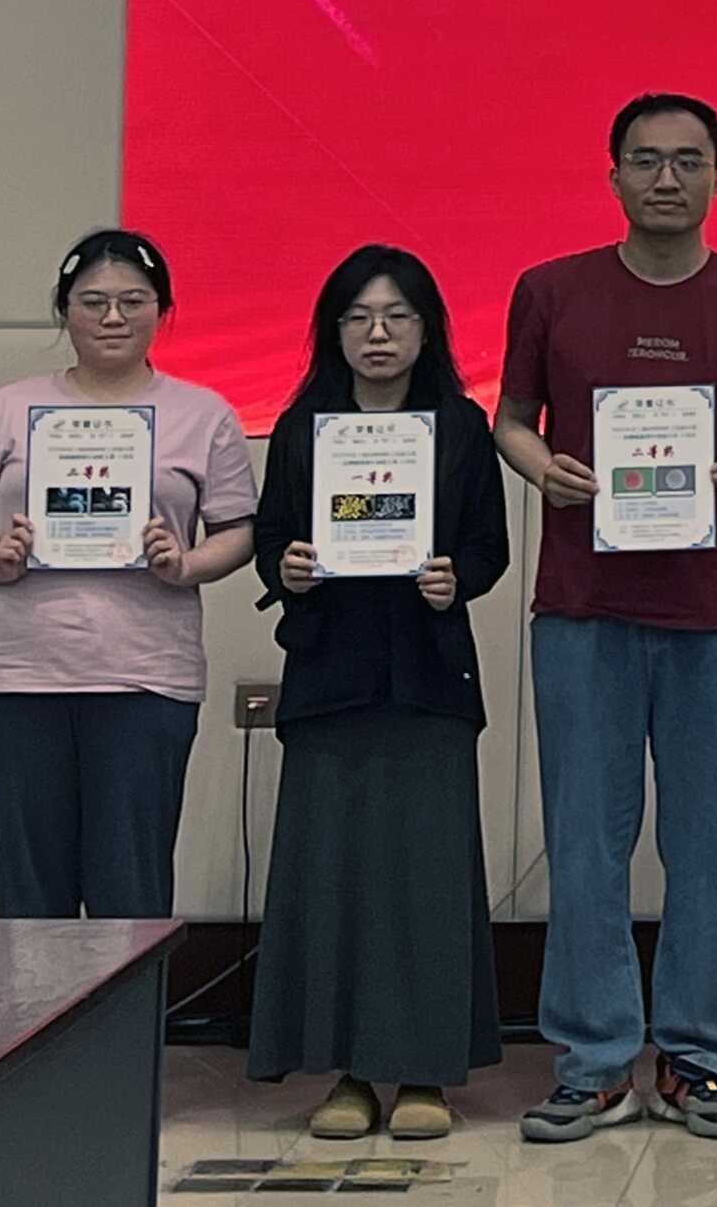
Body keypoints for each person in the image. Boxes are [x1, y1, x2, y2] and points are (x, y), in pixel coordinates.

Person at [501, 93, 717, 1145]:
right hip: (583, 608)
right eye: (645, 159)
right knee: (585, 845)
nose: (666, 178)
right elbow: (511, 418)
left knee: (708, 844)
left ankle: (700, 1059)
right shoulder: (551, 290)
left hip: (716, 611)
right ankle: (592, 1063)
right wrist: (543, 468)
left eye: (687, 160)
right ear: (613, 175)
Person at [247, 246, 512, 1144]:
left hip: (429, 678)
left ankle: (427, 1070)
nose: (378, 334)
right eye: (358, 317)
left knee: (427, 879)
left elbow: (488, 546)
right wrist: (286, 568)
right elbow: (273, 537)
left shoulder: (461, 427)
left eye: (397, 316)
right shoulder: (301, 428)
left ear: (427, 329)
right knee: (337, 879)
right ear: (333, 331)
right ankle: (350, 1075)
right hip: (331, 680)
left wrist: (455, 578)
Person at [0, 228, 258, 918]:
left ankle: (127, 1000)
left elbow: (239, 532)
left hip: (147, 677)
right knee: (30, 900)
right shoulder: (9, 409)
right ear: (64, 310)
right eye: (93, 302)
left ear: (162, 310)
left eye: (132, 301)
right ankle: (38, 1001)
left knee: (131, 897)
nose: (113, 317)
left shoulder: (203, 414)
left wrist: (185, 565)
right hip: (22, 675)